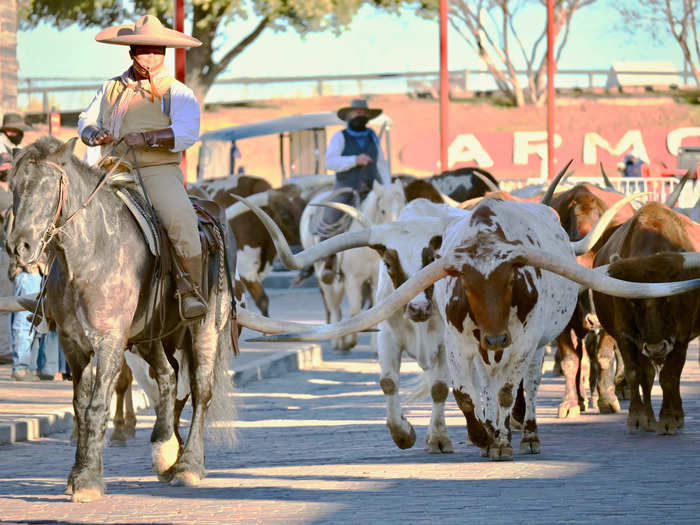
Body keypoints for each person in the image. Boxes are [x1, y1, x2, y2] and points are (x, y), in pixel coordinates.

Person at [78, 15, 206, 319]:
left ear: (164, 53)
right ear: (131, 51)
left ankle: (192, 291)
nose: (149, 57)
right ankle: (54, 294)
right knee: (73, 214)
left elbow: (188, 131)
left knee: (181, 220)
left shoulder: (176, 91)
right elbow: (86, 119)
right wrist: (93, 134)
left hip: (157, 170)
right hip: (111, 168)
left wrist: (147, 138)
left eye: (156, 51)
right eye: (142, 50)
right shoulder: (109, 87)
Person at [318, 99, 391, 283]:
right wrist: (355, 159)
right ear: (349, 116)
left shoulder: (373, 136)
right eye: (356, 112)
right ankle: (329, 260)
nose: (360, 115)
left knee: (392, 214)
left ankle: (393, 260)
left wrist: (387, 187)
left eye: (363, 113)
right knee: (331, 216)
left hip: (372, 186)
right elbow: (330, 162)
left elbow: (381, 163)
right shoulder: (340, 137)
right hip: (347, 187)